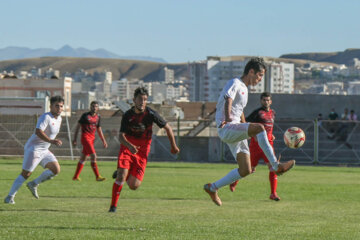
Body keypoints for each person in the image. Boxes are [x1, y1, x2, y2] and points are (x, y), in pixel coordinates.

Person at [203, 57, 295, 206]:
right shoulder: (235, 83)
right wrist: (228, 119)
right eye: (260, 75)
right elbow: (228, 99)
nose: (260, 79)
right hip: (227, 127)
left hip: (235, 131)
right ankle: (275, 166)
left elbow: (239, 111)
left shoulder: (245, 89)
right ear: (251, 71)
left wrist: (246, 128)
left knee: (245, 170)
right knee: (260, 127)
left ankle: (212, 187)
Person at [109, 87, 180, 212]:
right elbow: (121, 136)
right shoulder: (127, 115)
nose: (142, 102)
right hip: (127, 147)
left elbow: (168, 128)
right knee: (121, 177)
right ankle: (113, 207)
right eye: (140, 99)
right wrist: (129, 146)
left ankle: (123, 173)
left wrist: (173, 146)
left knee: (133, 185)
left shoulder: (151, 114)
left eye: (145, 99)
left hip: (142, 151)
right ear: (134, 100)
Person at [4, 96, 64, 204]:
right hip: (34, 149)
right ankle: (9, 197)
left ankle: (34, 184)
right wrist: (51, 140)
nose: (59, 108)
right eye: (57, 106)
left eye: (61, 106)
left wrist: (51, 141)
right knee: (25, 174)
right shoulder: (46, 117)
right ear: (50, 106)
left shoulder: (59, 119)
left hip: (44, 150)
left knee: (55, 169)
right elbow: (38, 131)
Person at [229, 92, 281, 201]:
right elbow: (246, 124)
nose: (266, 102)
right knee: (249, 168)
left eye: (268, 100)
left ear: (271, 101)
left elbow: (269, 128)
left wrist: (272, 135)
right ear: (261, 101)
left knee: (273, 168)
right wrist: (253, 135)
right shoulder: (257, 113)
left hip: (269, 145)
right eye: (264, 100)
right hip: (256, 146)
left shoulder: (273, 113)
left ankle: (273, 193)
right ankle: (234, 182)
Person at [72, 101, 108, 181]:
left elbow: (99, 129)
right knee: (94, 156)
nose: (94, 108)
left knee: (83, 158)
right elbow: (78, 127)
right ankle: (97, 176)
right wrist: (74, 139)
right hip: (85, 138)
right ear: (90, 107)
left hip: (92, 139)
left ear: (98, 108)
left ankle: (75, 176)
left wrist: (104, 141)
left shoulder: (98, 117)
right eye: (93, 106)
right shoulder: (85, 116)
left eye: (96, 106)